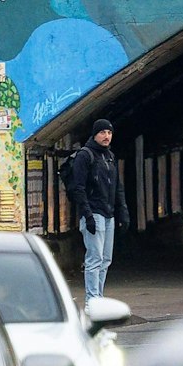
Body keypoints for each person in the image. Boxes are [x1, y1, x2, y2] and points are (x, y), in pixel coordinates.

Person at [67, 118, 131, 302]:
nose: (106, 136)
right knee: (94, 259)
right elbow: (78, 188)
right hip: (94, 213)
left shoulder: (109, 156)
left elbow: (117, 186)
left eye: (109, 133)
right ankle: (92, 300)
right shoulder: (85, 155)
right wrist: (87, 215)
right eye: (102, 132)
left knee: (105, 259)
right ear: (94, 134)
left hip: (108, 214)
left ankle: (99, 298)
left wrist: (123, 211)